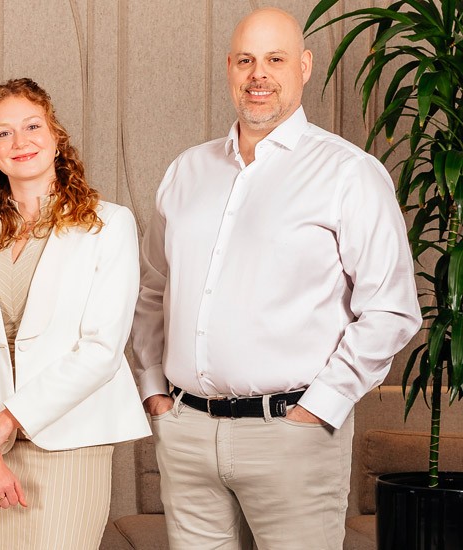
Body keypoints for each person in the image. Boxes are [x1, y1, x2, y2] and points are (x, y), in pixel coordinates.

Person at [131, 8, 422, 549]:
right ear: (229, 68)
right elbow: (152, 290)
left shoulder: (348, 173)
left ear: (304, 66)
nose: (258, 74)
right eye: (246, 60)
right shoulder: (187, 171)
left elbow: (392, 309)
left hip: (292, 434)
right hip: (187, 433)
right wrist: (154, 390)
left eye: (275, 59)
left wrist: (319, 409)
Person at [0, 78, 150, 550]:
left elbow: (101, 350)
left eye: (33, 126)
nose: (21, 141)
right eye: (4, 133)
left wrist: (5, 424)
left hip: (70, 442)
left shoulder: (109, 225)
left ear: (56, 137)